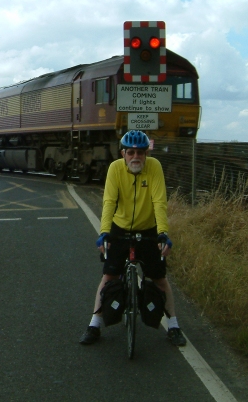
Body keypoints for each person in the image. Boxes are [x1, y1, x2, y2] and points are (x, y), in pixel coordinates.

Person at [79, 130, 187, 347]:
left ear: (146, 154)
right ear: (123, 154)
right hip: (119, 229)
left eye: (140, 152)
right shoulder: (115, 169)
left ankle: (174, 326)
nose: (136, 157)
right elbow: (109, 202)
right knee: (109, 277)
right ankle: (94, 324)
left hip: (148, 230)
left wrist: (163, 233)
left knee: (159, 279)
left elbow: (159, 202)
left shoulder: (154, 167)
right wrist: (104, 233)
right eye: (131, 152)